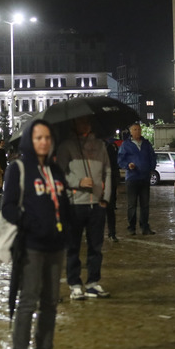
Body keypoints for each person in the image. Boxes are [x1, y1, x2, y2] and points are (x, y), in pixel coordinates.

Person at [3, 119, 70, 349]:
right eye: (38, 137)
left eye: (47, 138)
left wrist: (67, 228)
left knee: (51, 301)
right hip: (30, 245)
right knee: (28, 300)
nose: (43, 142)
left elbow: (61, 203)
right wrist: (29, 223)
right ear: (29, 140)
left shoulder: (55, 170)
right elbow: (8, 207)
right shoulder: (18, 169)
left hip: (55, 245)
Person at [57, 116, 112, 300]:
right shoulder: (66, 147)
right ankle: (74, 284)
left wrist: (106, 198)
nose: (85, 125)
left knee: (96, 247)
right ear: (73, 124)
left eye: (87, 121)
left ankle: (93, 283)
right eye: (80, 122)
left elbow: (108, 171)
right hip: (74, 205)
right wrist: (78, 182)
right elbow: (59, 174)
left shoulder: (100, 145)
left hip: (96, 204)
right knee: (73, 246)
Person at [117, 122, 156, 235]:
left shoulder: (146, 144)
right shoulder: (126, 145)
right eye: (135, 129)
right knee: (132, 204)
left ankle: (145, 227)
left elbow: (152, 157)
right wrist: (128, 165)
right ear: (131, 132)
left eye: (139, 129)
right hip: (132, 178)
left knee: (145, 204)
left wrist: (150, 168)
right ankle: (131, 227)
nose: (137, 131)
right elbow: (120, 160)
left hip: (144, 178)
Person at [104, 139, 121, 242]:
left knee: (109, 209)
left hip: (108, 180)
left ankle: (112, 233)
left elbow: (115, 165)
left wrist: (114, 180)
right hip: (94, 182)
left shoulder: (110, 147)